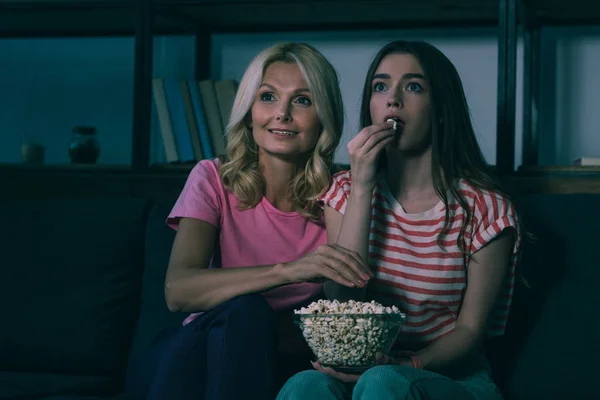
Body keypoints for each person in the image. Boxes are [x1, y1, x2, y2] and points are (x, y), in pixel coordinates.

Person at [125, 42, 373, 400]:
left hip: (287, 366)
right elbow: (178, 292)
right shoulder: (212, 177)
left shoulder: (339, 193)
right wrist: (290, 270)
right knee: (245, 309)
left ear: (324, 116)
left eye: (302, 100)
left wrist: (362, 184)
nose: (282, 114)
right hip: (200, 356)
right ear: (248, 110)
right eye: (268, 97)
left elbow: (346, 299)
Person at [277, 40, 522, 400]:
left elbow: (471, 332)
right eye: (380, 86)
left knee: (384, 383)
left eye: (413, 86)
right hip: (359, 371)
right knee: (304, 386)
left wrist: (406, 365)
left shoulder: (486, 208)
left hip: (451, 378)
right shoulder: (343, 191)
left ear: (440, 107)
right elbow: (344, 300)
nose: (392, 99)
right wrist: (362, 186)